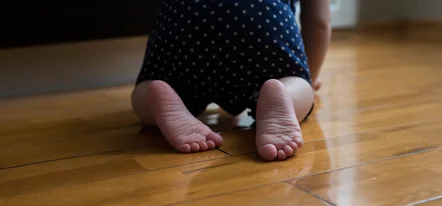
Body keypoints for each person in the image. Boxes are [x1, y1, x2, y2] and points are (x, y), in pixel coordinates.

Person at [131, 0, 331, 161]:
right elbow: (319, 22)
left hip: (187, 23)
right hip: (260, 21)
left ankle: (154, 95)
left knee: (149, 89)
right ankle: (284, 95)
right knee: (297, 84)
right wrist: (307, 78)